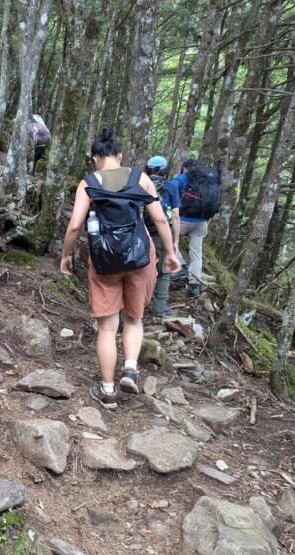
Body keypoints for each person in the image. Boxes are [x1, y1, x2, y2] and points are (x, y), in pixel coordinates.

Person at [60, 129, 180, 410]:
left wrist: (66, 255)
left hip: (105, 260)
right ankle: (129, 369)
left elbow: (76, 225)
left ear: (95, 159)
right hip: (139, 256)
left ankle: (109, 390)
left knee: (107, 326)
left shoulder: (88, 182)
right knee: (134, 319)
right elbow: (160, 220)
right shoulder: (141, 178)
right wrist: (171, 253)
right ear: (120, 155)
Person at [144, 156, 180, 317]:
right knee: (164, 271)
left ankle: (138, 302)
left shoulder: (140, 183)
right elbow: (176, 215)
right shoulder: (171, 187)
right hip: (161, 233)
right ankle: (159, 305)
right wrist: (175, 240)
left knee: (141, 268)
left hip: (141, 232)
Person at [167, 159, 205, 297]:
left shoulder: (183, 177)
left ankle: (181, 267)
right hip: (201, 222)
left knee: (167, 239)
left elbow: (169, 187)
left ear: (184, 168)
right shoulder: (205, 180)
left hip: (181, 220)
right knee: (196, 254)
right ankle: (194, 286)